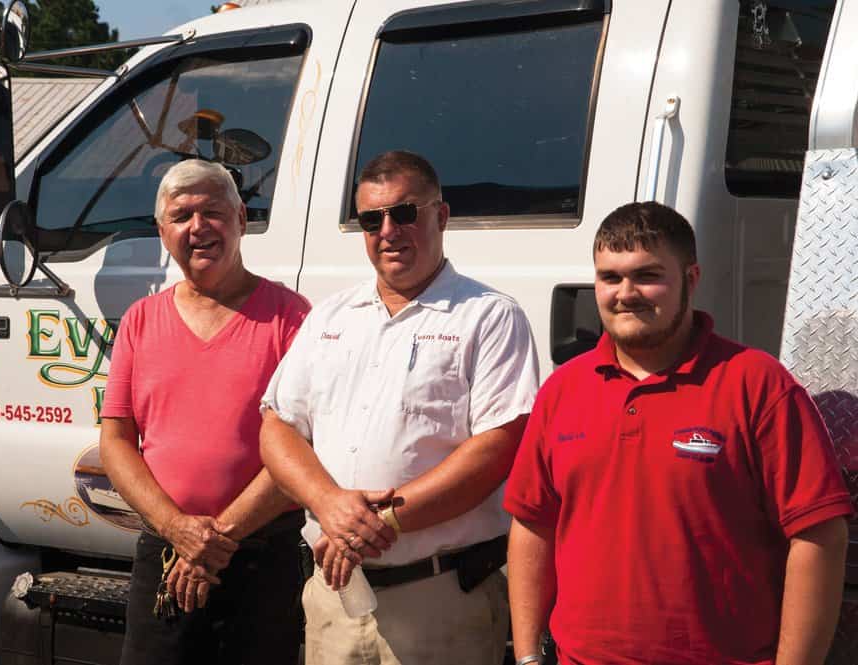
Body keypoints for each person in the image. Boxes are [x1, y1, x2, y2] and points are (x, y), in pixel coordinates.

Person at [504, 201, 852, 665]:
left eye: (647, 275)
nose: (625, 293)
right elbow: (532, 524)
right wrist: (527, 656)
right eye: (610, 277)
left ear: (690, 279)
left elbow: (820, 536)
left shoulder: (756, 385)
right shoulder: (563, 390)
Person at [259, 150, 540, 665]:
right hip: (336, 595)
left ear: (442, 215)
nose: (388, 230)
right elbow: (277, 428)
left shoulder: (490, 317)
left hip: (439, 601)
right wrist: (328, 505)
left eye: (404, 212)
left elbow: (498, 448)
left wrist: (381, 522)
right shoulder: (329, 317)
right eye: (372, 219)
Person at [100, 159, 311, 665]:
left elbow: (302, 447)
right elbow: (116, 442)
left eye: (213, 211)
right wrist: (178, 530)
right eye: (181, 215)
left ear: (241, 217)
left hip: (262, 556)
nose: (198, 228)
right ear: (162, 230)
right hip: (164, 551)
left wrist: (215, 541)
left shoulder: (291, 317)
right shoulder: (140, 320)